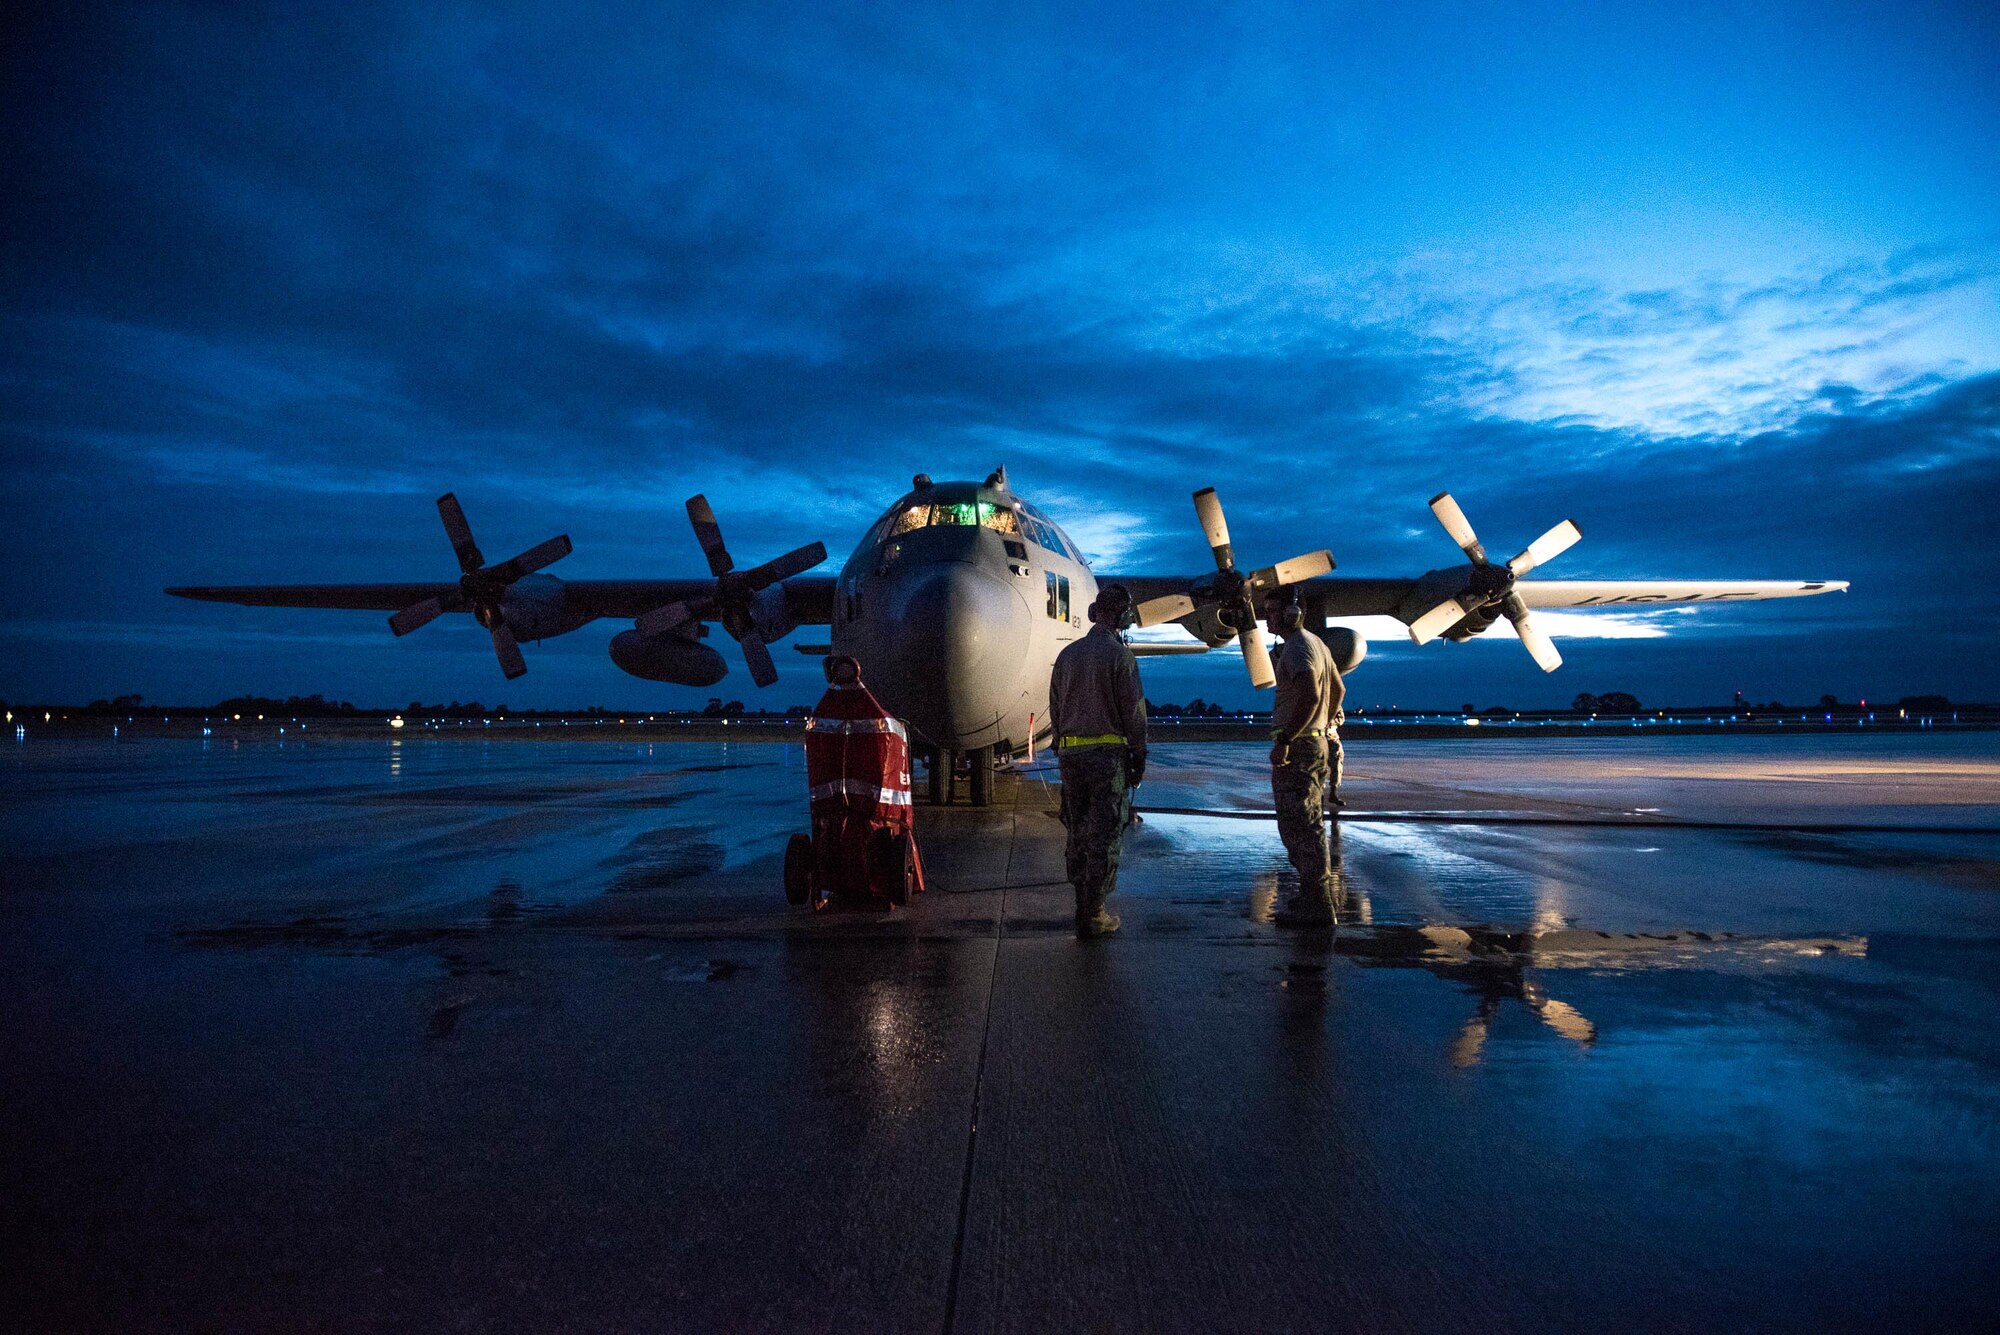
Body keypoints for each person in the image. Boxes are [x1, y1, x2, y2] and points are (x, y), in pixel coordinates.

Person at [1048, 583, 1148, 938]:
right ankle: (1095, 912)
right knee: (1105, 834)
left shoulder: (1067, 656)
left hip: (1071, 759)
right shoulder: (1121, 657)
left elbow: (1055, 709)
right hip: (1106, 760)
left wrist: (1062, 745)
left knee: (1078, 831)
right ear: (1122, 616)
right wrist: (1139, 754)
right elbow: (1134, 714)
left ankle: (1081, 905)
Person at [1266, 587, 1345, 927]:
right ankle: (1312, 898)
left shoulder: (1297, 648)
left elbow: (1311, 695)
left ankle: (1320, 908)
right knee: (1305, 823)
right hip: (1313, 744)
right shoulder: (1318, 644)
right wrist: (1323, 725)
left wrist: (1287, 737)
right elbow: (1338, 690)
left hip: (1299, 749)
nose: (1266, 617)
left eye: (1271, 610)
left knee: (1301, 826)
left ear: (1290, 614)